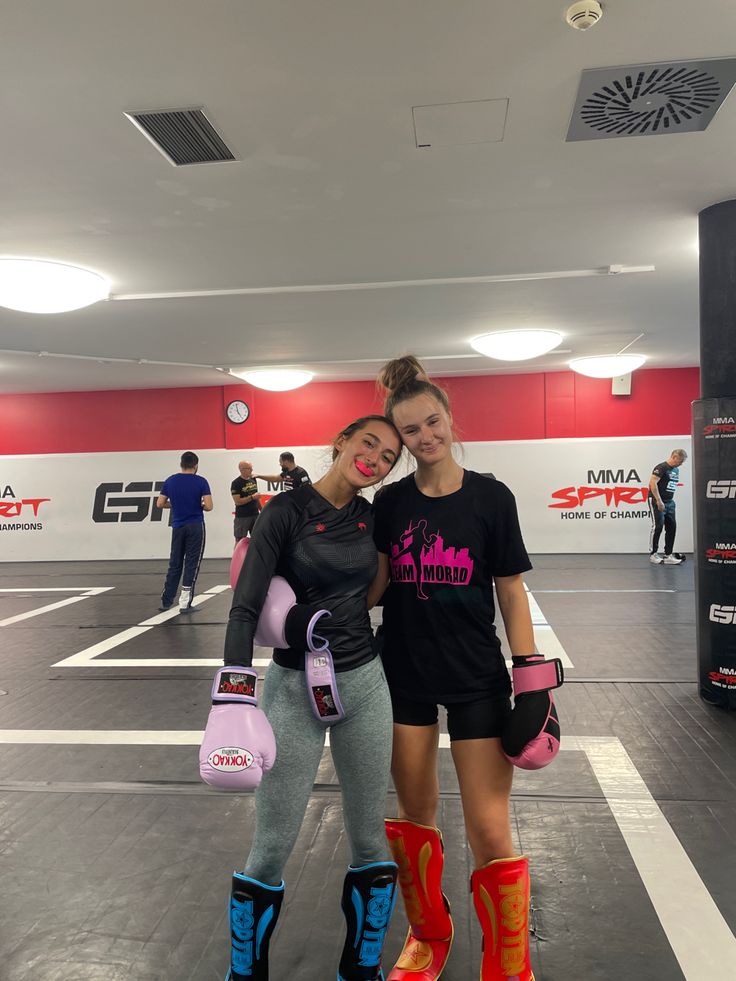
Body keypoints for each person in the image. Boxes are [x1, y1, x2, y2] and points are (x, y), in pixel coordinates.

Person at [369, 356, 554, 981]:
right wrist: (299, 558)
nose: (426, 437)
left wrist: (530, 673)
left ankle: (509, 963)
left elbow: (510, 590)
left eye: (433, 422)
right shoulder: (391, 504)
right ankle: (428, 937)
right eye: (412, 431)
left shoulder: (491, 497)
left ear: (450, 417)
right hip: (404, 677)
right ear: (401, 439)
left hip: (477, 677)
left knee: (489, 830)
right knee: (412, 820)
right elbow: (374, 588)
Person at [218, 415, 402, 981]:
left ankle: (361, 968)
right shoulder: (285, 511)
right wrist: (232, 699)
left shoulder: (374, 518)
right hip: (293, 687)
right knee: (271, 844)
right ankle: (245, 974)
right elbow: (246, 608)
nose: (374, 458)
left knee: (371, 837)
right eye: (367, 443)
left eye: (389, 455)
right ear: (341, 442)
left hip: (364, 682)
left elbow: (377, 586)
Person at [156, 451, 212, 612]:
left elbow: (160, 504)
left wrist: (176, 505)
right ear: (196, 465)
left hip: (178, 526)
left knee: (175, 563)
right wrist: (197, 505)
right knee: (191, 564)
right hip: (195, 526)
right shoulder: (201, 481)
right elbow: (209, 506)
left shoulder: (171, 480)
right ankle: (185, 603)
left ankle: (166, 601)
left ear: (181, 464)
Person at [648, 449, 688, 565]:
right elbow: (652, 483)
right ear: (674, 457)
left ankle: (668, 554)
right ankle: (653, 554)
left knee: (672, 527)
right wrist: (659, 501)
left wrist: (667, 502)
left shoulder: (676, 470)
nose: (681, 464)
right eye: (680, 461)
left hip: (670, 502)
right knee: (658, 526)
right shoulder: (661, 467)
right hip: (657, 500)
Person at [231, 460, 260, 542]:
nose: (251, 470)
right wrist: (251, 497)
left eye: (251, 468)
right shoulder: (236, 483)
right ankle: (237, 555)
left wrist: (262, 510)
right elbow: (237, 501)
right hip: (242, 517)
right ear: (241, 469)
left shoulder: (253, 479)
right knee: (239, 540)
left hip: (255, 515)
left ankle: (254, 555)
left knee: (257, 539)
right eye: (249, 468)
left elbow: (256, 497)